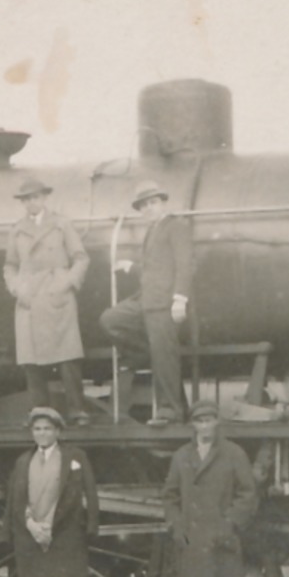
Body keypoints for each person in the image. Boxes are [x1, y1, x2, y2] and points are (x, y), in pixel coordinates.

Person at [159, 400, 258, 577]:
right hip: (191, 538)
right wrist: (177, 526)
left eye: (210, 420)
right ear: (193, 425)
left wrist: (230, 525)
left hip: (222, 537)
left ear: (217, 423)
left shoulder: (234, 454)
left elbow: (247, 494)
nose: (205, 426)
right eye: (200, 421)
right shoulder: (181, 456)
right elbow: (170, 495)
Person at [0, 407, 100, 577]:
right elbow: (15, 499)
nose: (42, 434)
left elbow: (88, 492)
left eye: (47, 429)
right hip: (30, 537)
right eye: (37, 429)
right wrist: (26, 524)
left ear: (57, 431)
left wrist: (89, 525)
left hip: (65, 535)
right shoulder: (23, 461)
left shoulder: (75, 457)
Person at [100, 180, 193, 427]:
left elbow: (185, 264)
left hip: (164, 302)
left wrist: (180, 299)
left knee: (165, 357)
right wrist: (131, 267)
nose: (149, 208)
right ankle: (141, 354)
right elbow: (155, 270)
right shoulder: (153, 230)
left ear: (163, 203)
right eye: (144, 206)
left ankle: (170, 411)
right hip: (146, 299)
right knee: (112, 319)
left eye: (153, 203)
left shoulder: (176, 226)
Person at [3, 178, 91, 425]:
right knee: (32, 360)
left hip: (57, 294)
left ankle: (77, 410)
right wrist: (16, 287)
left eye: (35, 197)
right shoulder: (17, 228)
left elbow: (81, 258)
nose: (31, 202)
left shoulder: (61, 224)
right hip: (28, 296)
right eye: (26, 199)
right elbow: (9, 265)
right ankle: (39, 413)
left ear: (44, 198)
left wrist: (65, 283)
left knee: (67, 356)